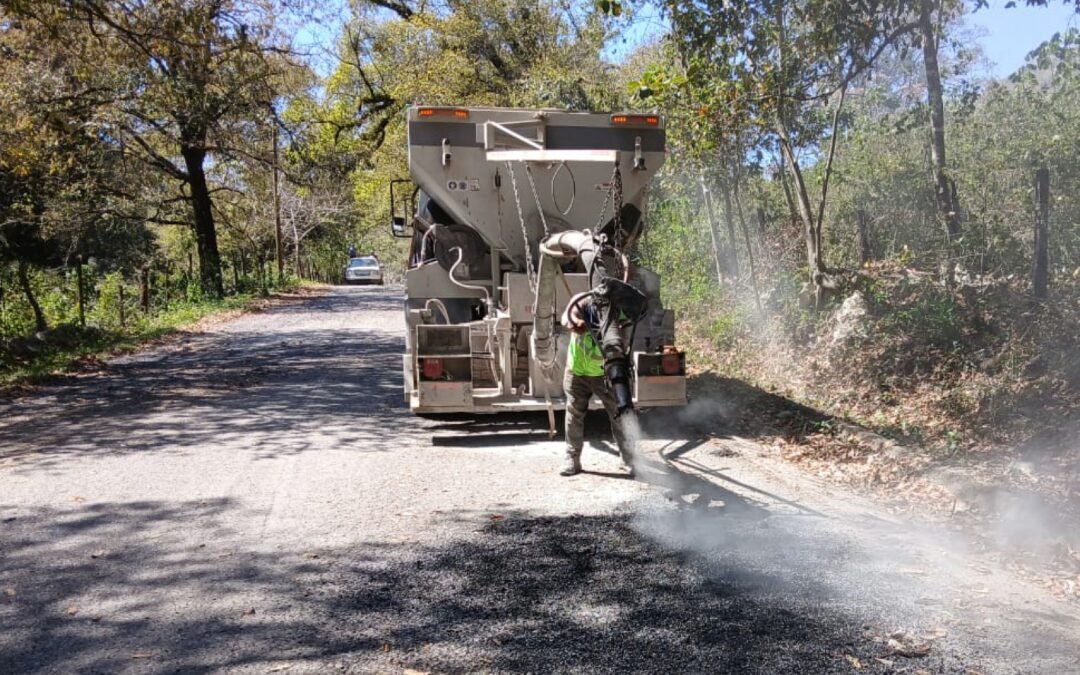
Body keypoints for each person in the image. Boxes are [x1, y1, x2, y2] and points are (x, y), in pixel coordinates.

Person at [559, 293, 635, 477]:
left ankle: (628, 459)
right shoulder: (584, 300)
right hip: (577, 371)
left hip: (605, 373)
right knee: (574, 415)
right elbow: (566, 317)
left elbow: (628, 323)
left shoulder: (618, 307)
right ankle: (572, 459)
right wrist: (576, 323)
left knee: (619, 414)